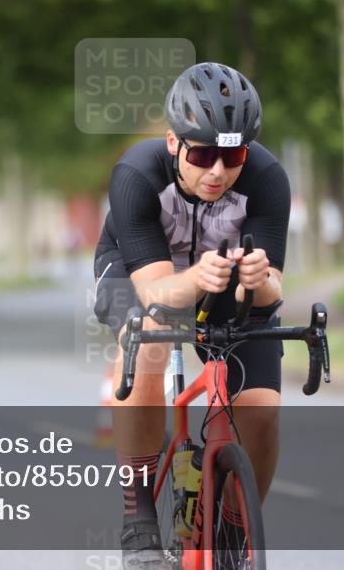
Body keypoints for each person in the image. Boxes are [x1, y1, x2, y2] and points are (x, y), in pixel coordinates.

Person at [93, 62, 290, 569]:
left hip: (223, 280)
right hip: (142, 271)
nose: (218, 171)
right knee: (149, 334)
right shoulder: (136, 175)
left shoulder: (268, 180)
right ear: (173, 143)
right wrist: (196, 278)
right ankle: (138, 514)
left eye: (232, 155)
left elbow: (271, 295)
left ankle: (235, 526)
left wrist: (261, 278)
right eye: (203, 154)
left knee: (262, 408)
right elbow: (156, 291)